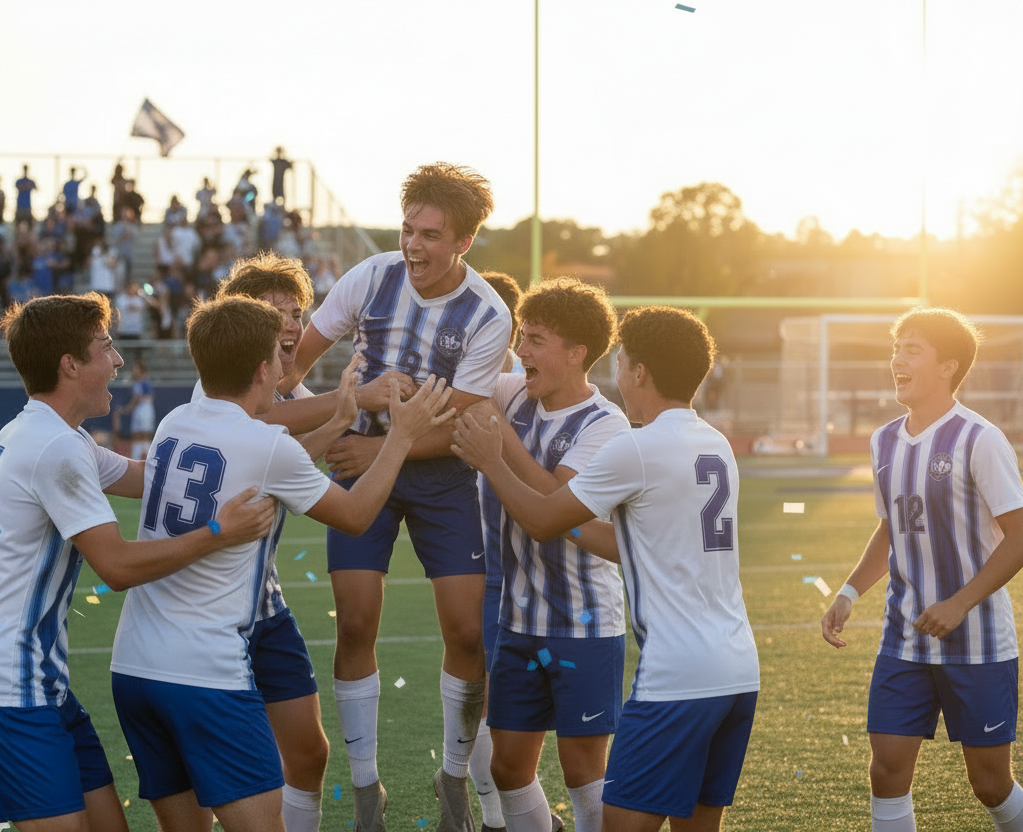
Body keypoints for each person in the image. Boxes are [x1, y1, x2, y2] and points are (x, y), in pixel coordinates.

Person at [110, 295, 456, 832]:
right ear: (262, 368)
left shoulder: (176, 420)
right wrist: (403, 437)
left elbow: (274, 466)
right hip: (204, 672)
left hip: (133, 667)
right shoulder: (266, 445)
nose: (285, 367)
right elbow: (357, 514)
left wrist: (339, 417)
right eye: (279, 355)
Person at [0, 292, 277, 831]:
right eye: (106, 347)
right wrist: (218, 532)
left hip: (35, 679)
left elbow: (155, 478)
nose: (118, 360)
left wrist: (259, 453)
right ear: (71, 365)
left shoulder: (47, 433)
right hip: (3, 685)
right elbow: (115, 568)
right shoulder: (56, 449)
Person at [453, 305, 760, 832]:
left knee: (618, 821)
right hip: (737, 667)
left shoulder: (637, 447)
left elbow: (545, 519)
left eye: (620, 361)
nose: (615, 372)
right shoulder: (715, 444)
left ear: (638, 371)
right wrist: (566, 519)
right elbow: (626, 540)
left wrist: (492, 461)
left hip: (676, 674)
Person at [278, 162, 510, 832]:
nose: (413, 245)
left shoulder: (488, 314)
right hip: (359, 463)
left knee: (467, 631)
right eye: (408, 229)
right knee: (354, 622)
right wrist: (323, 414)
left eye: (431, 235)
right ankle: (365, 789)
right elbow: (295, 365)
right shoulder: (371, 276)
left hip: (435, 471)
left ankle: (455, 777)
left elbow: (461, 425)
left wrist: (375, 448)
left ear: (463, 242)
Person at [821, 307, 1023, 832]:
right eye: (896, 348)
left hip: (976, 641)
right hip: (904, 638)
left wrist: (960, 603)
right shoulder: (883, 441)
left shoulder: (980, 439)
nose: (897, 360)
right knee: (887, 771)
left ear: (948, 366)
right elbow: (891, 527)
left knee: (989, 784)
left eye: (913, 349)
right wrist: (849, 590)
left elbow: (1020, 537)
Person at [462, 277, 630, 832]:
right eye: (520, 337)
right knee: (508, 766)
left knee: (584, 772)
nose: (521, 351)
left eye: (535, 340)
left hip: (582, 623)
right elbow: (458, 387)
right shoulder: (513, 393)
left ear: (576, 354)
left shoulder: (606, 425)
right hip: (518, 621)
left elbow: (553, 504)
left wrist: (497, 446)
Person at [118, 358, 155, 460]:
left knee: (144, 434)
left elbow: (137, 399)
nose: (134, 371)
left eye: (136, 369)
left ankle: (146, 456)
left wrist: (126, 409)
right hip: (141, 410)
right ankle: (137, 457)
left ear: (141, 370)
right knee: (137, 434)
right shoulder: (139, 384)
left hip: (144, 410)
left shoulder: (143, 383)